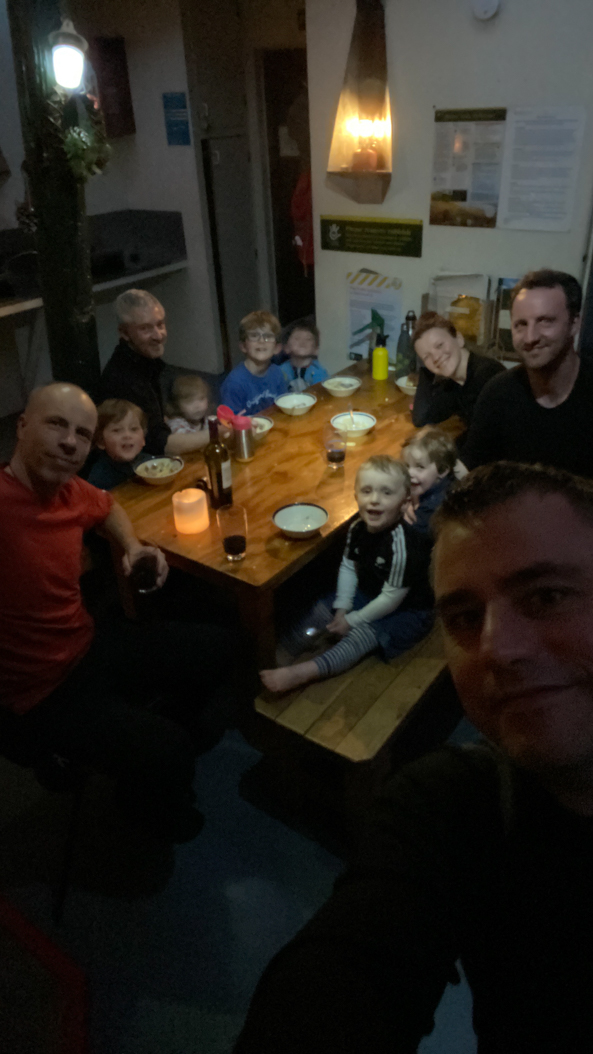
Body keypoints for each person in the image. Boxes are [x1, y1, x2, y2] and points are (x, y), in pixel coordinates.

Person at [235, 460, 593, 1052]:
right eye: (465, 617)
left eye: (547, 596)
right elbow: (346, 971)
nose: (497, 649)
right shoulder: (453, 804)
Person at [0, 382, 236, 842]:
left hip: (87, 644)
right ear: (22, 427)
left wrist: (132, 546)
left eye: (82, 434)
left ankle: (152, 738)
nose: (70, 442)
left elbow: (108, 507)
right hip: (38, 694)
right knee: (168, 751)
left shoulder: (69, 489)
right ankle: (142, 805)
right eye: (56, 425)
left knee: (219, 646)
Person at [260, 456, 433, 694]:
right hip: (371, 592)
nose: (374, 499)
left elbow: (391, 599)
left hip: (408, 610)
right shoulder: (357, 528)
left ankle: (305, 671)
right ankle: (286, 651)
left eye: (386, 493)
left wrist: (352, 621)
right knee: (321, 610)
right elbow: (349, 567)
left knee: (361, 636)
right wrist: (342, 607)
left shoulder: (403, 545)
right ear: (356, 496)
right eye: (367, 491)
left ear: (404, 503)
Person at [461, 269, 593, 476]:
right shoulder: (498, 395)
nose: (531, 337)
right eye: (521, 325)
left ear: (574, 323)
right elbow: (475, 479)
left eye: (545, 321)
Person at [99, 289, 209, 458]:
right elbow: (160, 444)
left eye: (160, 324)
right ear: (124, 333)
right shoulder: (124, 379)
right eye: (145, 328)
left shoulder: (149, 361)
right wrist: (218, 432)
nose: (158, 336)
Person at [411, 311, 504, 444]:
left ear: (459, 339)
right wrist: (427, 371)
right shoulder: (454, 384)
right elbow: (422, 418)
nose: (436, 357)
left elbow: (484, 439)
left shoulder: (487, 375)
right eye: (426, 357)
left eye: (439, 345)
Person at [220, 311, 287, 415]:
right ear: (243, 346)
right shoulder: (235, 383)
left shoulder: (277, 373)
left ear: (277, 348)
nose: (261, 341)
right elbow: (229, 421)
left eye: (268, 336)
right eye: (254, 336)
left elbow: (284, 405)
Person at [401, 427, 456, 536]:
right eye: (406, 465)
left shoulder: (433, 507)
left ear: (442, 470)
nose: (409, 473)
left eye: (420, 467)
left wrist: (399, 510)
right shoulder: (436, 483)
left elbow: (406, 535)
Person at [87, 398, 147, 490]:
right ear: (101, 441)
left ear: (143, 439)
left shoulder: (148, 464)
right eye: (117, 430)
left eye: (134, 429)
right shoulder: (99, 478)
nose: (127, 435)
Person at [279, 318, 328, 393]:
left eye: (308, 339)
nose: (303, 342)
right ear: (286, 347)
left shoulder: (319, 372)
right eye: (297, 338)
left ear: (316, 349)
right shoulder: (280, 371)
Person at [165, 374, 210, 448]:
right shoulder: (176, 425)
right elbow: (188, 444)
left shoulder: (206, 420)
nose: (197, 406)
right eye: (189, 401)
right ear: (177, 405)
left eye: (201, 399)